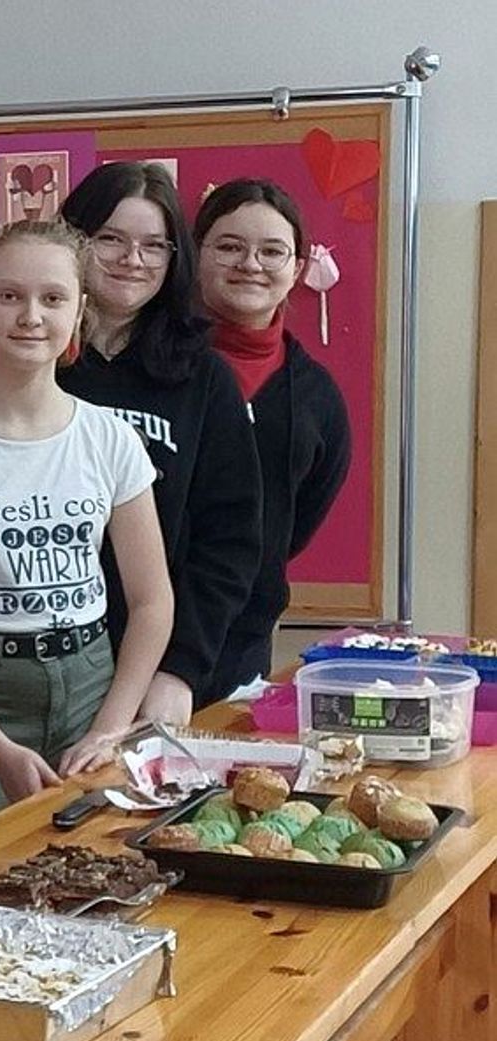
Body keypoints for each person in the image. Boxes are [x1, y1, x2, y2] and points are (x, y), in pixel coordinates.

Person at [0, 221, 172, 837]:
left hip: (92, 687)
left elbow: (153, 602)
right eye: (9, 296)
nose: (31, 317)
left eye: (53, 298)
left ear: (79, 310)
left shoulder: (110, 439)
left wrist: (110, 729)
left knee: (100, 870)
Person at [59, 161, 263, 717]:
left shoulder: (205, 377)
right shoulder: (32, 363)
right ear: (72, 240)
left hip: (157, 673)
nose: (133, 259)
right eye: (111, 239)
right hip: (40, 667)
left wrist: (180, 668)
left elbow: (230, 541)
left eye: (154, 245)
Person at [193, 178, 351, 695]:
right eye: (229, 247)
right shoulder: (154, 369)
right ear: (196, 254)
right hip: (131, 634)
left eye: (272, 251)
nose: (250, 264)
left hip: (244, 638)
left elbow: (296, 522)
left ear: (298, 267)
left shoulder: (315, 395)